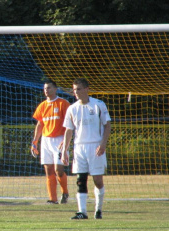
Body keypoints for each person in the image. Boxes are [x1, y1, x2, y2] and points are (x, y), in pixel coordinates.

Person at [62, 78, 111, 220]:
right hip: (79, 147)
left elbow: (107, 125)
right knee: (80, 179)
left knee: (97, 180)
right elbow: (69, 130)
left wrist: (103, 144)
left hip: (95, 146)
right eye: (74, 89)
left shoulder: (98, 105)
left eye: (78, 89)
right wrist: (65, 150)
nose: (76, 92)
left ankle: (98, 209)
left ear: (86, 89)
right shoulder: (72, 108)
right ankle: (82, 212)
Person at [31, 79, 70, 204]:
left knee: (59, 170)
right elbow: (40, 124)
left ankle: (65, 192)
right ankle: (53, 199)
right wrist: (35, 141)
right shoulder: (42, 105)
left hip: (59, 139)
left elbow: (69, 124)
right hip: (46, 140)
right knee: (48, 170)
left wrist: (66, 140)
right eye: (45, 88)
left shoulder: (63, 103)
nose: (46, 90)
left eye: (49, 88)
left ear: (55, 89)